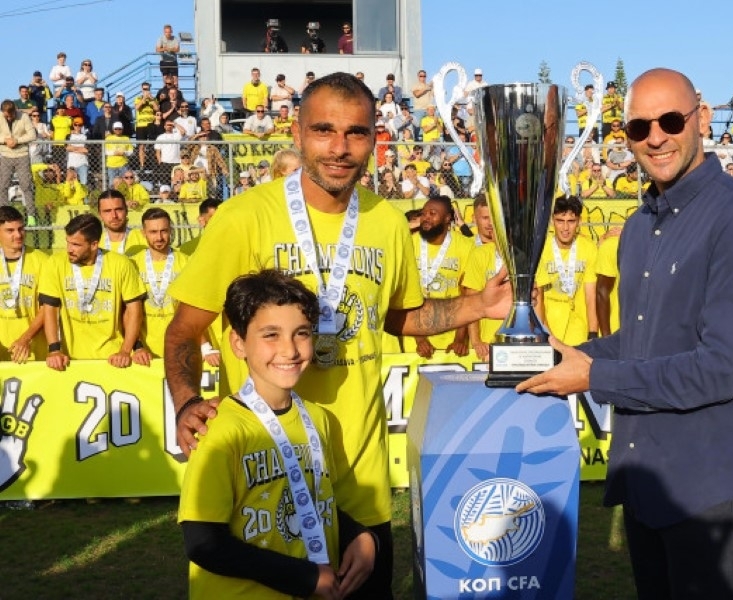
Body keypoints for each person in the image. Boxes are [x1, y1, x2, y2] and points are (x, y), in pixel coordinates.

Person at [163, 72, 510, 599]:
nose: (340, 148)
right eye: (324, 130)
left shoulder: (387, 221)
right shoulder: (242, 218)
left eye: (356, 132)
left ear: (375, 138)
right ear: (297, 133)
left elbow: (400, 316)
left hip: (361, 483)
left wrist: (479, 306)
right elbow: (184, 330)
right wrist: (187, 400)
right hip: (268, 479)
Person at [518, 68, 733, 599]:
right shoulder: (641, 226)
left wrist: (594, 376)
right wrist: (557, 354)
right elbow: (641, 340)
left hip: (714, 486)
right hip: (649, 480)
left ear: (702, 118)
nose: (656, 137)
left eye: (670, 120)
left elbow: (721, 368)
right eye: (639, 127)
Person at [179, 269, 376, 599]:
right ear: (238, 344)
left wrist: (359, 536)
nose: (290, 350)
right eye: (271, 335)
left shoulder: (320, 420)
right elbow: (203, 542)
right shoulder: (220, 429)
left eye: (301, 333)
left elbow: (314, 500)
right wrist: (303, 577)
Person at [39, 213, 150, 369]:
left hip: (112, 358)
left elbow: (133, 309)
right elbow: (50, 309)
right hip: (71, 360)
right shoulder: (55, 263)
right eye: (68, 243)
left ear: (94, 244)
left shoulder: (120, 264)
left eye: (76, 245)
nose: (69, 249)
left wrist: (125, 351)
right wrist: (54, 349)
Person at [405, 195, 473, 358]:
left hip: (453, 338)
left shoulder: (466, 246)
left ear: (447, 218)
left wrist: (460, 339)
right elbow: (404, 293)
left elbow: (468, 295)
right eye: (423, 213)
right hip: (415, 338)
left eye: (432, 213)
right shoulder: (408, 243)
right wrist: (420, 339)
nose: (426, 217)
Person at [533, 195, 598, 346]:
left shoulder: (589, 247)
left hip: (579, 329)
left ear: (579, 221)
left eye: (571, 221)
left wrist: (593, 333)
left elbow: (591, 296)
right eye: (560, 221)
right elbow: (538, 299)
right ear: (552, 221)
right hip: (549, 327)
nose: (565, 228)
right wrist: (546, 336)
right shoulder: (541, 249)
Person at [127, 208, 189, 358]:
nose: (159, 237)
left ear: (170, 230)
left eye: (164, 231)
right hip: (144, 353)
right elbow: (126, 311)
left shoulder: (186, 262)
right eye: (153, 232)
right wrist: (137, 346)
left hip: (180, 349)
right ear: (143, 233)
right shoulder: (132, 264)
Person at [0, 206, 48, 362]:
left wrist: (25, 338)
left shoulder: (42, 260)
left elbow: (47, 307)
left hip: (33, 351)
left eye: (21, 229)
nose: (18, 235)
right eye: (10, 230)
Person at [461, 195, 504, 361]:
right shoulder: (467, 248)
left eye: (494, 218)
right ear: (474, 218)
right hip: (478, 337)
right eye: (485, 218)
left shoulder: (514, 252)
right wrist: (474, 339)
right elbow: (467, 297)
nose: (491, 223)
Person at [0, 100, 37, 224]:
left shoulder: (24, 117)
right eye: (6, 116)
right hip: (5, 156)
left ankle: (31, 216)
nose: (9, 118)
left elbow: (32, 135)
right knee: (2, 186)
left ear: (15, 111)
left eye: (11, 115)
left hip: (22, 155)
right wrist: (5, 140)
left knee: (26, 186)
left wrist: (17, 140)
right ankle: (4, 216)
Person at [97, 189, 145, 254]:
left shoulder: (144, 238)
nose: (114, 216)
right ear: (100, 215)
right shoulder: (95, 243)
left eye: (118, 209)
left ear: (126, 211)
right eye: (107, 211)